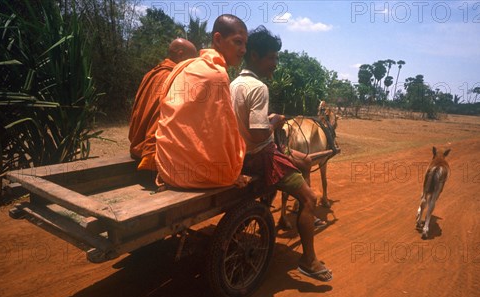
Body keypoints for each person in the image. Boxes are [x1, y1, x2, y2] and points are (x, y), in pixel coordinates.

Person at [230, 26, 332, 282]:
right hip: (259, 157)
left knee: (305, 160)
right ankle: (308, 260)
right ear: (254, 56)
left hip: (238, 155)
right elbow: (257, 134)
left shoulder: (233, 84)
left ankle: (278, 209)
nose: (275, 63)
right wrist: (274, 122)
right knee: (310, 199)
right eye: (272, 58)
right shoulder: (258, 88)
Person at [155, 15, 248, 188]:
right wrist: (232, 170)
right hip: (192, 175)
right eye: (238, 42)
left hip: (167, 167)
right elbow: (222, 133)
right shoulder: (216, 75)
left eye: (245, 44)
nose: (243, 50)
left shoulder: (188, 65)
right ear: (218, 39)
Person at [128, 38, 198, 171]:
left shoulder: (151, 73)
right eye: (191, 59)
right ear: (181, 54)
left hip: (136, 142)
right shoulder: (174, 78)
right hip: (153, 153)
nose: (192, 65)